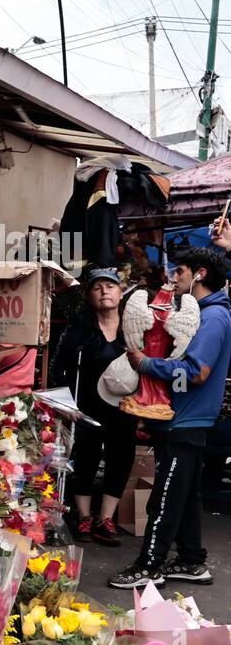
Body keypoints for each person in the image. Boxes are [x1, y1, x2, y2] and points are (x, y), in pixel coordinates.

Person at [110, 241, 231, 588]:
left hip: (186, 420)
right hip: (185, 418)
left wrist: (147, 364)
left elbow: (196, 372)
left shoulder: (213, 316)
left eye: (180, 271)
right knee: (187, 494)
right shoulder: (206, 312)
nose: (173, 277)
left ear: (200, 275)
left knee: (164, 496)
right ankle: (192, 560)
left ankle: (149, 564)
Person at [50, 268, 136, 546]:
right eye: (97, 287)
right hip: (86, 405)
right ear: (89, 295)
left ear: (121, 293)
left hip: (125, 407)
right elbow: (57, 368)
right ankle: (84, 517)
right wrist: (63, 403)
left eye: (110, 286)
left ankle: (106, 519)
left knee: (120, 458)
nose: (104, 291)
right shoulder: (78, 330)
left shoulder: (133, 330)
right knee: (85, 457)